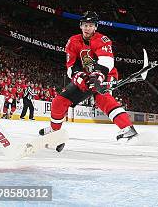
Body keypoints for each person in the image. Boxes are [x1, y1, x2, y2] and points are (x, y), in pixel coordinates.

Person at [38, 11, 138, 151]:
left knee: (102, 98)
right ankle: (55, 132)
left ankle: (128, 128)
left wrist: (97, 77)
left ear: (95, 27)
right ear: (81, 26)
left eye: (91, 25)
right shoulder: (73, 41)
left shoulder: (103, 40)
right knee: (58, 102)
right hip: (84, 77)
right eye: (85, 25)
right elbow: (71, 67)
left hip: (106, 74)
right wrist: (81, 78)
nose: (87, 28)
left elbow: (106, 62)